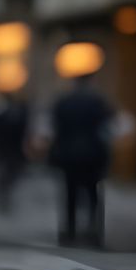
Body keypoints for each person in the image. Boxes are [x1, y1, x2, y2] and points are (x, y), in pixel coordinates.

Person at [47, 73, 113, 247]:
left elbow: (56, 128)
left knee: (70, 194)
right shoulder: (97, 102)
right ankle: (93, 230)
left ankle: (70, 230)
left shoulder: (63, 102)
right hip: (92, 154)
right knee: (93, 194)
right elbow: (107, 126)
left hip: (68, 155)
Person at [0, 91, 30, 214]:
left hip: (7, 151)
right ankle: (3, 198)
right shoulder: (16, 114)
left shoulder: (3, 115)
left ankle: (3, 198)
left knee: (6, 176)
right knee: (8, 175)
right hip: (11, 151)